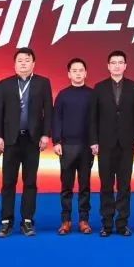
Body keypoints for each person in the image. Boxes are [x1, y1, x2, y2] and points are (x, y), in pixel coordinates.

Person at [0, 47, 53, 237]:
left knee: (30, 181)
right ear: (14, 64)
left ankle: (27, 221)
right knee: (8, 182)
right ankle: (6, 221)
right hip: (11, 140)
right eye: (20, 60)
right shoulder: (5, 84)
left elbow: (48, 111)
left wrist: (46, 135)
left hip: (32, 139)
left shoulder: (43, 83)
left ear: (33, 63)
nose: (23, 63)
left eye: (27, 60)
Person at [88, 50, 134, 237]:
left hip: (127, 144)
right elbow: (93, 118)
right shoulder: (99, 87)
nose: (117, 65)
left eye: (120, 62)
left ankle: (122, 223)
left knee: (124, 185)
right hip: (105, 143)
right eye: (113, 62)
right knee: (106, 185)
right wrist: (93, 141)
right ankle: (107, 224)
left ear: (125, 66)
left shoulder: (133, 87)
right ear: (108, 66)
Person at [52, 58, 95, 235]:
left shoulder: (93, 95)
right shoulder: (63, 95)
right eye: (74, 71)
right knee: (66, 187)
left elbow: (97, 121)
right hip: (67, 146)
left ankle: (84, 220)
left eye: (81, 70)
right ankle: (66, 221)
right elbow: (56, 119)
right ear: (69, 74)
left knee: (85, 186)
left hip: (86, 147)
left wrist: (95, 142)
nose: (78, 73)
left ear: (86, 73)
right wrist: (56, 141)